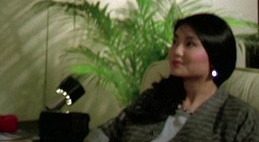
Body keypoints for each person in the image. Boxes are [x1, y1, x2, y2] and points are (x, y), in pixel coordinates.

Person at [85, 13, 259, 142]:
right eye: (175, 41)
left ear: (215, 56)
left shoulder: (238, 117)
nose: (177, 51)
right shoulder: (153, 98)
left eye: (189, 44)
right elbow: (106, 132)